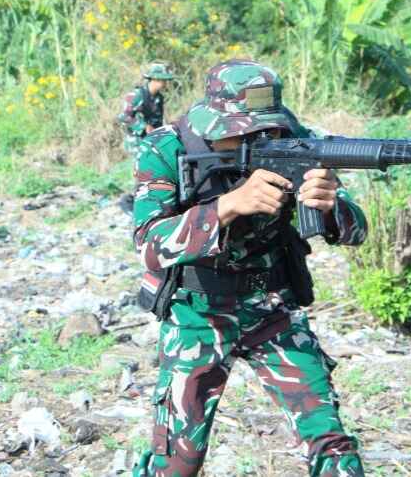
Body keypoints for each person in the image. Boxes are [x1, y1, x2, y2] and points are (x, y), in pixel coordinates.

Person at [131, 59, 368, 477]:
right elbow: (150, 245)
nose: (262, 138)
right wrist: (227, 207)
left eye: (269, 129)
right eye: (244, 132)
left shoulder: (298, 142)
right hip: (196, 313)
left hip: (272, 307)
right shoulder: (167, 149)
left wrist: (331, 208)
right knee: (176, 461)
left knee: (331, 442)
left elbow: (356, 231)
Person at [118, 62, 174, 213]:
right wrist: (143, 126)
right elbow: (124, 117)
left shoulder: (158, 98)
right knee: (140, 170)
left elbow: (158, 120)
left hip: (151, 140)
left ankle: (147, 200)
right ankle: (132, 202)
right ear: (154, 79)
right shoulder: (136, 95)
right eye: (163, 80)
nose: (165, 84)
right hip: (136, 140)